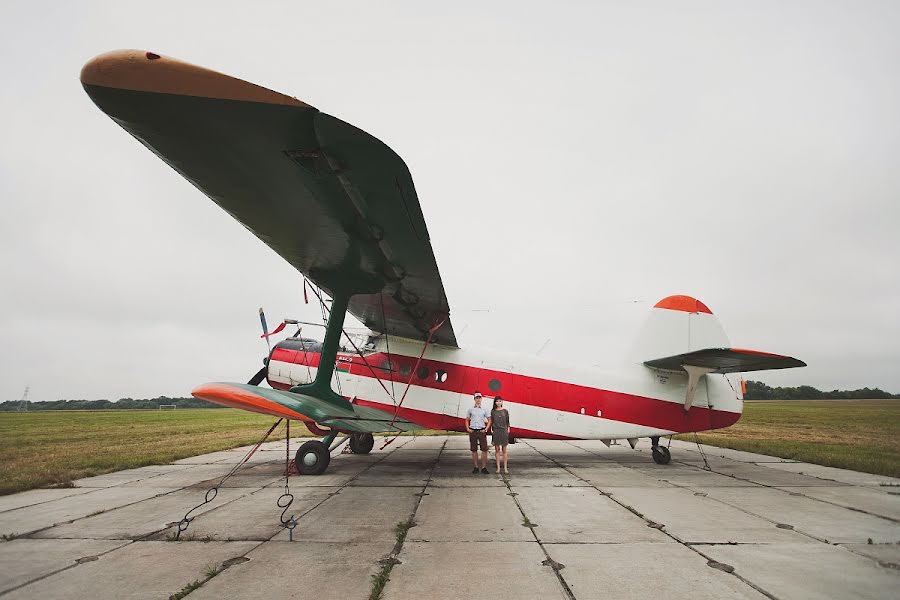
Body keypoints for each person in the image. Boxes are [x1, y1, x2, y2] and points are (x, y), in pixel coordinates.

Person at [466, 392, 490, 474]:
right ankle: (475, 467)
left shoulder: (484, 409)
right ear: (474, 399)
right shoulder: (470, 409)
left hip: (481, 431)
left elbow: (489, 420)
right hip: (473, 431)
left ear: (481, 399)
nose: (478, 399)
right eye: (476, 398)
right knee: (474, 450)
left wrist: (486, 429)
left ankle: (484, 468)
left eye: (479, 398)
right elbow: (467, 419)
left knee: (484, 450)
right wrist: (468, 428)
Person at [490, 396, 510, 474]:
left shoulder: (505, 411)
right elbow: (492, 421)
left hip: (504, 431)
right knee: (497, 450)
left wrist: (508, 429)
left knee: (504, 450)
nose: (498, 402)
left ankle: (505, 468)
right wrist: (492, 429)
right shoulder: (493, 411)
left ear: (502, 402)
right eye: (497, 401)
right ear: (495, 402)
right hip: (496, 431)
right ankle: (498, 468)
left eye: (500, 401)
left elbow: (507, 421)